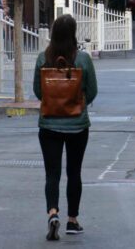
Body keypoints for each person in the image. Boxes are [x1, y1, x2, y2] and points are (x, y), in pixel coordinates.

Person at [33, 14, 98, 240]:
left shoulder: (43, 59)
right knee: (74, 172)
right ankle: (72, 220)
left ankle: (53, 213)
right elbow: (92, 91)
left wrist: (54, 102)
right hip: (78, 125)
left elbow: (38, 92)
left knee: (52, 173)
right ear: (73, 33)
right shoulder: (82, 60)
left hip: (49, 124)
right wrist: (78, 103)